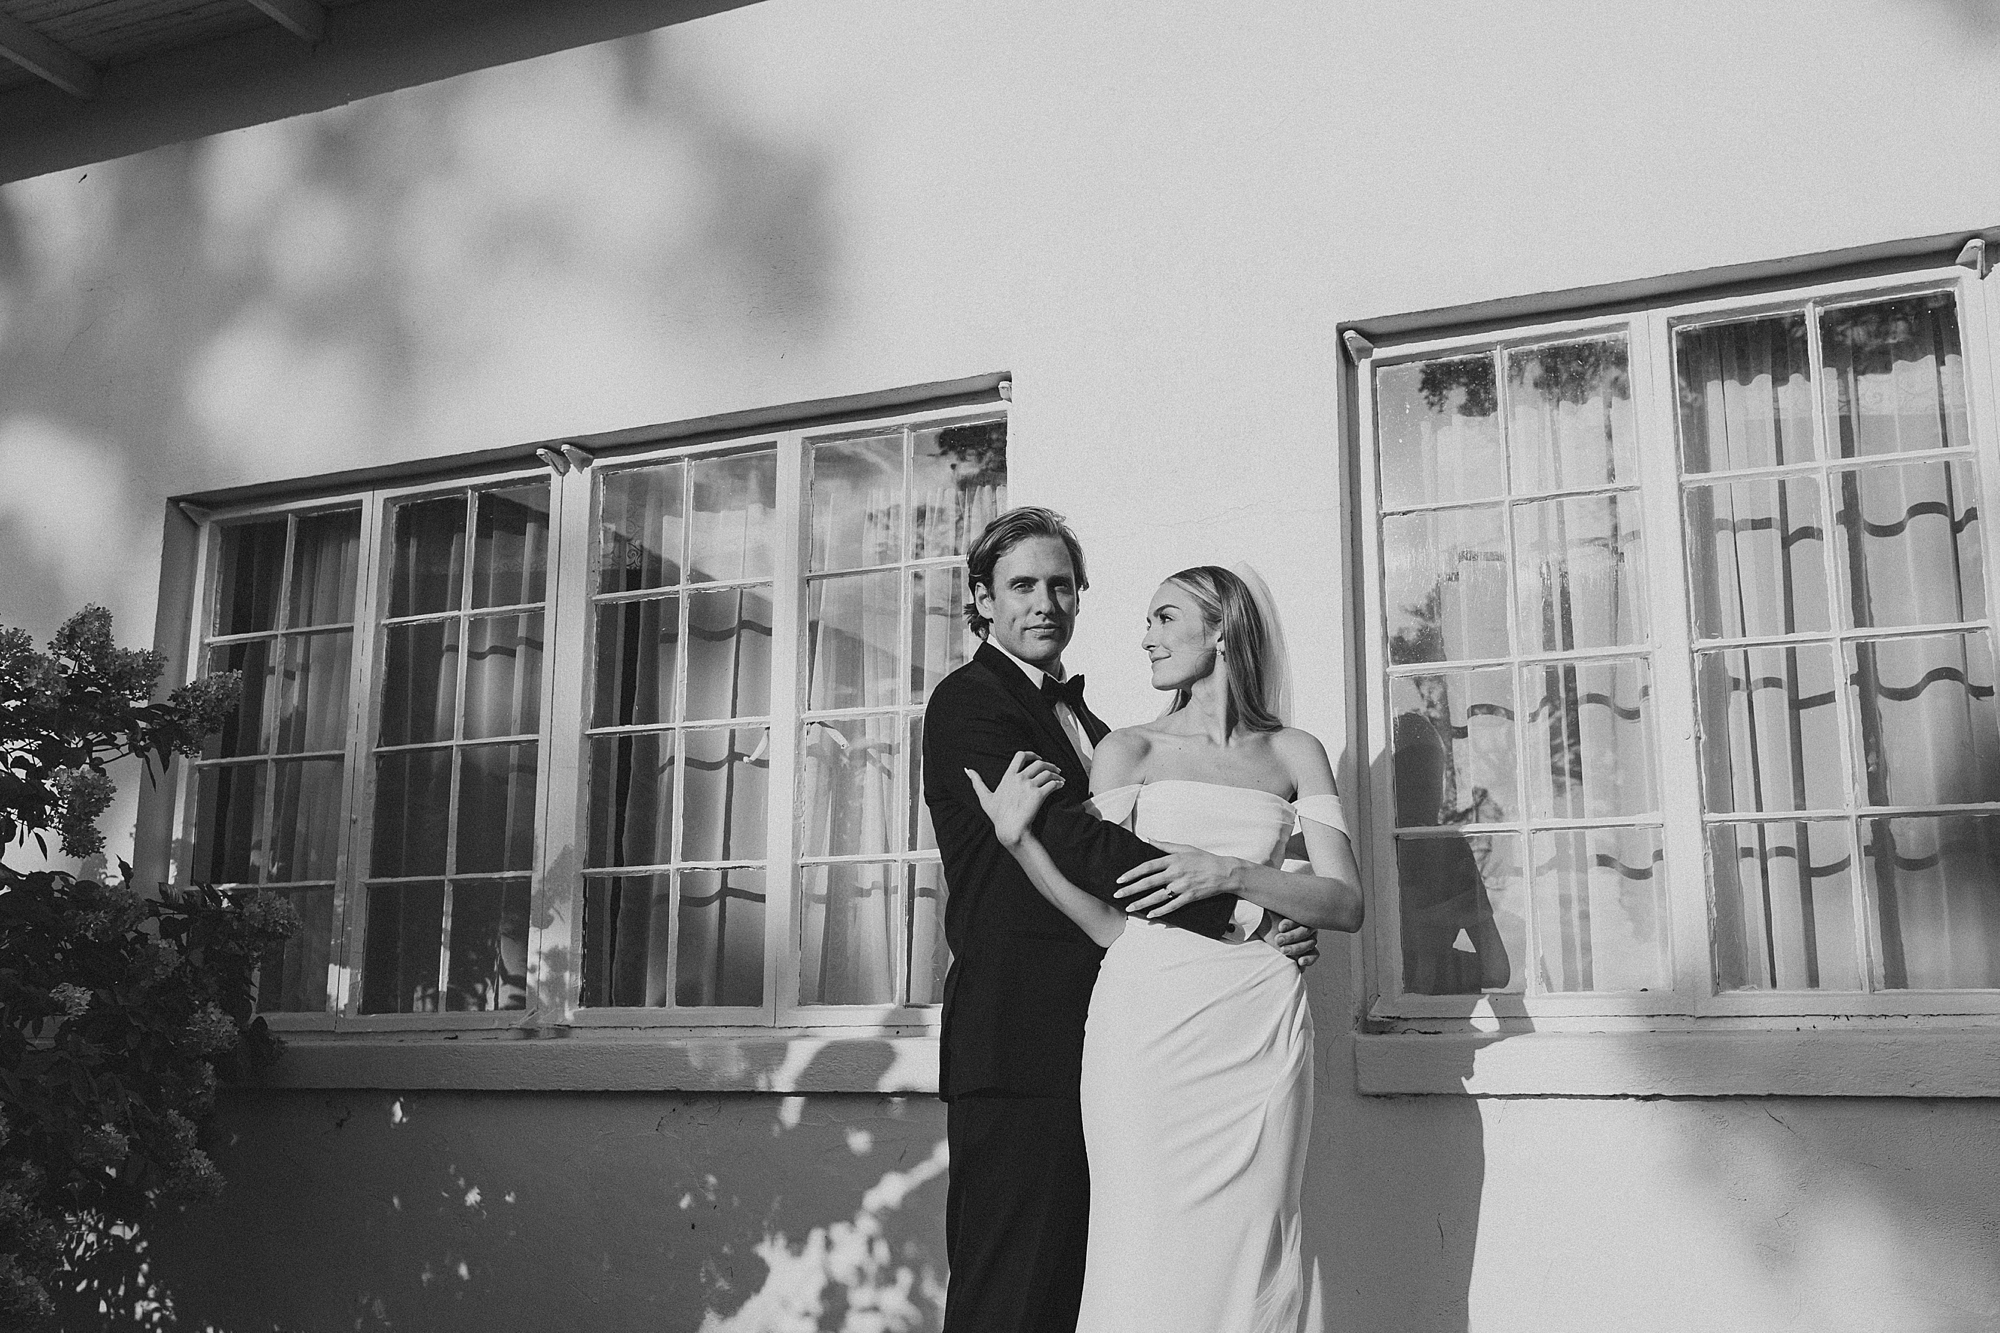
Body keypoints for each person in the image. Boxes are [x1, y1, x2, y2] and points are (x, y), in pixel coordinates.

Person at [923, 510, 1321, 1333]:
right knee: (1009, 1294)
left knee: (1095, 1288)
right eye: (1023, 585)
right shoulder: (968, 702)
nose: (1045, 602)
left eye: (1061, 585)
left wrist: (1275, 913)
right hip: (1020, 1037)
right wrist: (1245, 913)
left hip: (1127, 1040)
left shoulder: (1102, 731)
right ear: (982, 601)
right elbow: (1078, 840)